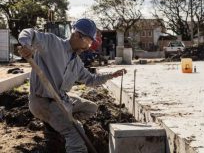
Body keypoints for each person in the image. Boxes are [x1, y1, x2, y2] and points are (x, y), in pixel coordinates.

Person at [18, 18, 127, 153]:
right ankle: (64, 127)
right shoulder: (52, 43)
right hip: (43, 102)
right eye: (88, 41)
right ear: (77, 35)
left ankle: (59, 123)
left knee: (91, 108)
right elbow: (28, 33)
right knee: (76, 133)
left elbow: (91, 80)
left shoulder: (76, 62)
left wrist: (111, 75)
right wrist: (26, 45)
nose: (89, 45)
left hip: (62, 100)